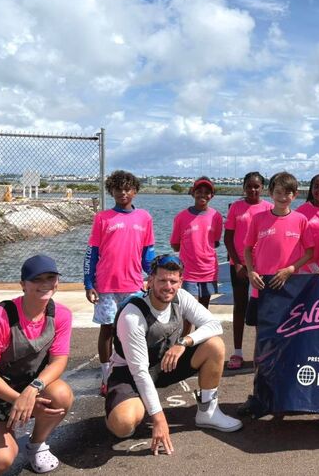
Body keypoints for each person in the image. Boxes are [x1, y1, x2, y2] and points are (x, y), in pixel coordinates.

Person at [105, 255, 242, 455]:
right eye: (162, 280)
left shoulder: (181, 297)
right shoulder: (132, 315)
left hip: (164, 364)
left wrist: (183, 342)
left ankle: (208, 412)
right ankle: (119, 405)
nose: (168, 286)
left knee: (214, 345)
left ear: (180, 282)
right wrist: (159, 418)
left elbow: (214, 325)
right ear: (150, 281)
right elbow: (139, 371)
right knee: (123, 425)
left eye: (173, 281)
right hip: (129, 372)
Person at [0, 255, 73, 474]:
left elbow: (58, 360)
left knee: (61, 395)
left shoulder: (61, 314)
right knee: (0, 459)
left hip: (28, 388)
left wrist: (33, 389)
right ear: (23, 284)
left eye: (50, 277)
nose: (45, 284)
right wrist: (19, 400)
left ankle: (36, 445)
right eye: (37, 279)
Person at [239, 171, 315, 418]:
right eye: (279, 192)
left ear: (295, 195)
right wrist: (251, 271)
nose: (283, 197)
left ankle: (287, 395)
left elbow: (310, 252)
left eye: (288, 193)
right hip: (262, 290)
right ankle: (259, 396)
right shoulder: (258, 218)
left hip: (290, 291)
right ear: (271, 193)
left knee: (290, 343)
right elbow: (247, 249)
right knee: (263, 343)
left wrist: (291, 269)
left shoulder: (301, 220)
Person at [84, 169, 155, 395]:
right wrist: (88, 283)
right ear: (111, 191)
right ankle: (107, 375)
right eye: (118, 189)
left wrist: (153, 275)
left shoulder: (144, 218)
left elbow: (148, 254)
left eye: (127, 189)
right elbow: (92, 253)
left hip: (133, 285)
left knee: (133, 330)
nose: (123, 193)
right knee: (107, 329)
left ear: (135, 191)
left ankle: (133, 371)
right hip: (105, 286)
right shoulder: (102, 218)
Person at [222, 172, 273, 370]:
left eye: (256, 186)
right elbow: (228, 238)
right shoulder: (236, 207)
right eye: (249, 186)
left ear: (263, 188)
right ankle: (237, 352)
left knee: (263, 309)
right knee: (240, 307)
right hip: (240, 266)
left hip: (262, 266)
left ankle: (262, 351)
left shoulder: (269, 208)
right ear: (244, 187)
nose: (253, 190)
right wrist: (237, 263)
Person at [170, 177, 223, 312]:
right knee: (188, 309)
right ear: (192, 193)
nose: (203, 195)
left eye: (207, 192)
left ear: (212, 195)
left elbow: (215, 241)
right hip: (188, 271)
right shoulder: (181, 217)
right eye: (199, 191)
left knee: (203, 311)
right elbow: (175, 244)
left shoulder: (216, 216)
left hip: (209, 270)